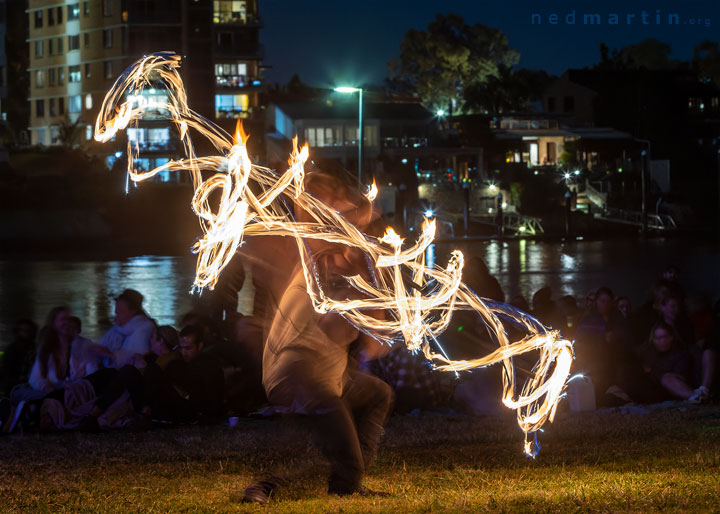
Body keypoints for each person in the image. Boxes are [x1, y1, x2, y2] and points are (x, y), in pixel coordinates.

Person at [242, 168, 393, 504]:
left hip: (331, 378)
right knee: (341, 459)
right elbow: (337, 327)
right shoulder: (323, 269)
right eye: (359, 245)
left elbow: (375, 346)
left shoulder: (358, 281)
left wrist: (374, 283)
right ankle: (264, 486)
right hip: (298, 377)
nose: (364, 248)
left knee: (376, 393)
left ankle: (346, 481)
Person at [636, 322, 696, 401]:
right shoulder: (648, 351)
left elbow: (681, 376)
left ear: (671, 337)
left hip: (670, 389)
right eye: (657, 338)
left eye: (665, 337)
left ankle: (695, 397)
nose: (662, 341)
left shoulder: (679, 353)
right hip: (649, 389)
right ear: (653, 339)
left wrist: (654, 371)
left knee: (667, 378)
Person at [100, 289, 154, 367]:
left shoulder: (144, 329)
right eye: (116, 312)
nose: (116, 316)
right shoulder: (118, 328)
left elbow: (138, 361)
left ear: (133, 311)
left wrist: (109, 354)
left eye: (121, 312)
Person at [0, 319, 37, 396]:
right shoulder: (11, 350)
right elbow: (6, 373)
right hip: (15, 387)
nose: (25, 333)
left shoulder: (35, 349)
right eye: (23, 330)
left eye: (28, 331)